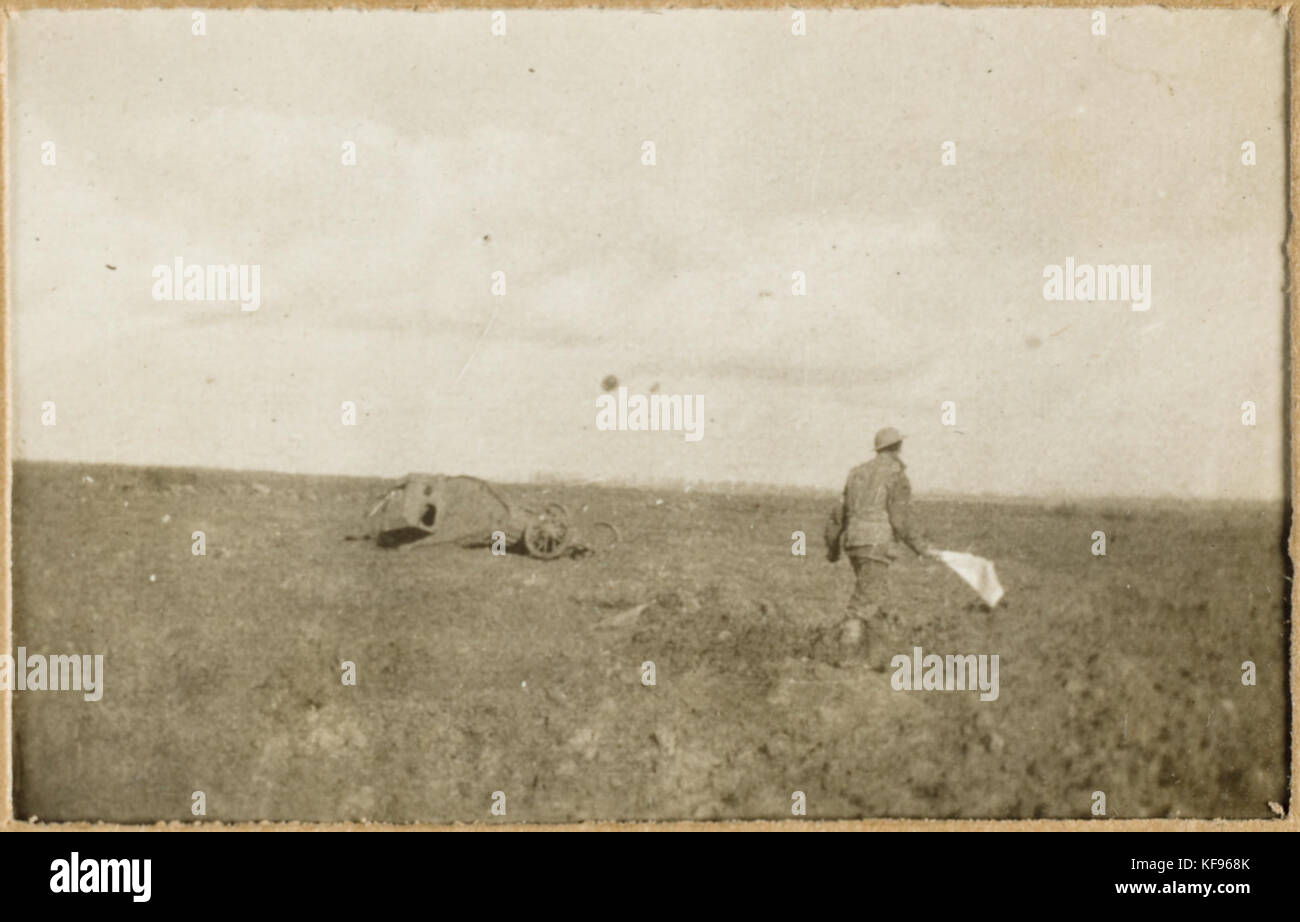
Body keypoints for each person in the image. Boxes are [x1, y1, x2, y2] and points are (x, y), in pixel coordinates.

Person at [829, 426, 936, 658]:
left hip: (854, 543)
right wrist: (921, 547)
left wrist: (832, 548)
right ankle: (846, 659)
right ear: (898, 447)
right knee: (863, 602)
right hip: (876, 545)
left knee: (875, 596)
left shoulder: (856, 473)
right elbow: (900, 521)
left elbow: (839, 514)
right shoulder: (897, 477)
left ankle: (874, 658)